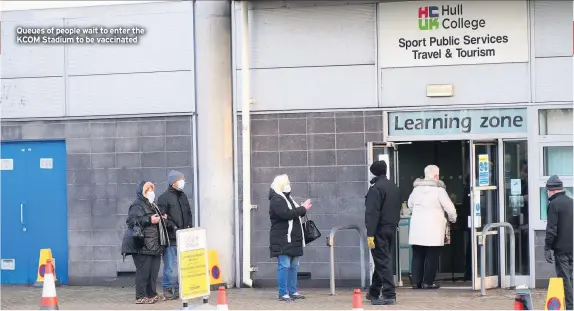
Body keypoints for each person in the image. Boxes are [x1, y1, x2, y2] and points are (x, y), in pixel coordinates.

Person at [407, 165, 457, 290]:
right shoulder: (439, 191)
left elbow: (410, 205)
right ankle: (427, 282)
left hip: (417, 229)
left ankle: (416, 282)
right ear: (436, 176)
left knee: (418, 255)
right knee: (432, 256)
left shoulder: (416, 190)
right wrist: (453, 219)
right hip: (434, 230)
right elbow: (450, 209)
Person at [121, 181, 170, 304]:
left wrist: (161, 218)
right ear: (143, 192)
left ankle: (151, 294)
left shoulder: (153, 205)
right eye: (148, 190)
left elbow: (155, 220)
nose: (151, 192)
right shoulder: (137, 205)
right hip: (142, 243)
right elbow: (131, 221)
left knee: (153, 271)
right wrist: (149, 219)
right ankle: (140, 296)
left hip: (154, 243)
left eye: (152, 189)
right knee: (144, 271)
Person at [268, 174, 312, 302]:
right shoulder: (277, 199)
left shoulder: (288, 198)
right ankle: (283, 293)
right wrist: (302, 208)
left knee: (294, 266)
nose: (289, 185)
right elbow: (286, 214)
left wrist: (303, 208)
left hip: (293, 238)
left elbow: (295, 213)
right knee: (284, 265)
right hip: (283, 238)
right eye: (287, 183)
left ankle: (292, 291)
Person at [364, 160, 401, 305]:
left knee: (383, 261)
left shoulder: (375, 189)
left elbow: (372, 213)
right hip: (391, 228)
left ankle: (389, 294)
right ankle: (373, 291)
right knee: (382, 260)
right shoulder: (393, 187)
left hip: (379, 230)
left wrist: (370, 234)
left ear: (373, 172)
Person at [157, 170, 193, 300]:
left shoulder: (182, 196)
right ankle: (167, 289)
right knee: (169, 266)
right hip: (171, 238)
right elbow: (162, 218)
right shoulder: (164, 198)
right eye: (180, 179)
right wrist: (173, 227)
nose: (183, 182)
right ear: (173, 182)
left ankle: (180, 288)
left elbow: (188, 213)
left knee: (183, 265)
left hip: (183, 237)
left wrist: (189, 227)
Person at [544, 175, 573, 310]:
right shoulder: (571, 202)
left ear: (552, 190)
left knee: (565, 280)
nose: (547, 193)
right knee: (571, 279)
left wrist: (547, 247)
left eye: (548, 190)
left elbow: (551, 229)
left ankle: (570, 307)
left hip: (561, 250)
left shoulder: (553, 205)